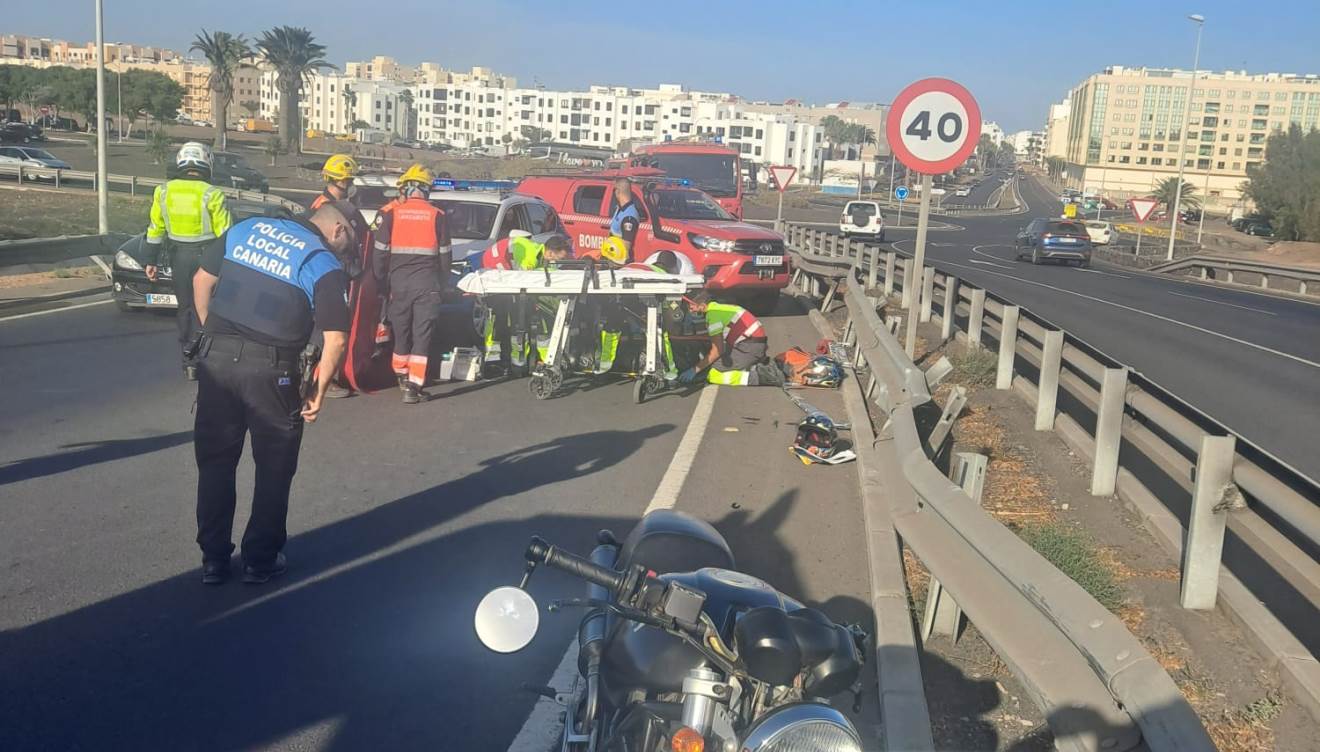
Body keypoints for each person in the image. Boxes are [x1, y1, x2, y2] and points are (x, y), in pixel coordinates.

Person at [190, 204, 357, 585]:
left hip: (216, 363)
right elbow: (337, 337)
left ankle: (213, 559)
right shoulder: (320, 260)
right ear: (338, 232)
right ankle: (260, 560)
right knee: (273, 468)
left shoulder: (245, 229)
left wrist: (210, 336)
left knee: (215, 462)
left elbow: (202, 281)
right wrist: (318, 388)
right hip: (272, 371)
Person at [144, 142, 232, 380]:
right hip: (208, 256)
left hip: (178, 257)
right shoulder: (213, 194)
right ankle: (210, 353)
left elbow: (155, 228)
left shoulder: (162, 191)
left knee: (184, 308)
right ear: (207, 163)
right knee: (206, 307)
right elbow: (225, 233)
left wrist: (150, 260)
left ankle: (189, 360)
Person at [372, 164, 450, 404]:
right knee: (422, 335)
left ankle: (401, 376)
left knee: (401, 333)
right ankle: (413, 387)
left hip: (399, 284)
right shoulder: (437, 215)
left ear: (406, 187)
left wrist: (381, 282)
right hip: (428, 284)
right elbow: (445, 255)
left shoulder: (392, 213)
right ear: (426, 190)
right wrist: (443, 283)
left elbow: (379, 253)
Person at [313, 154, 372, 399]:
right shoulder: (321, 207)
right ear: (331, 180)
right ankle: (321, 377)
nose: (347, 186)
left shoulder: (347, 208)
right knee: (330, 326)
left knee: (340, 325)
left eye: (349, 181)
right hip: (330, 270)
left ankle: (331, 373)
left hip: (345, 270)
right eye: (344, 182)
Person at [480, 232, 572, 373]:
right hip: (495, 264)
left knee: (518, 313)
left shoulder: (543, 256)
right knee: (505, 314)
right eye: (559, 259)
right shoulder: (530, 254)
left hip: (507, 263)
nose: (559, 264)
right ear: (549, 253)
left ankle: (517, 361)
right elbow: (526, 278)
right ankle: (495, 361)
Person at [679, 290, 783, 386]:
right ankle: (757, 365)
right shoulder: (718, 307)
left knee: (713, 373)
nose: (690, 310)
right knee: (712, 361)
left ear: (702, 305)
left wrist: (695, 369)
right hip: (753, 343)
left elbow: (717, 351)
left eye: (691, 307)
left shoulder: (713, 315)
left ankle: (761, 377)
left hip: (749, 347)